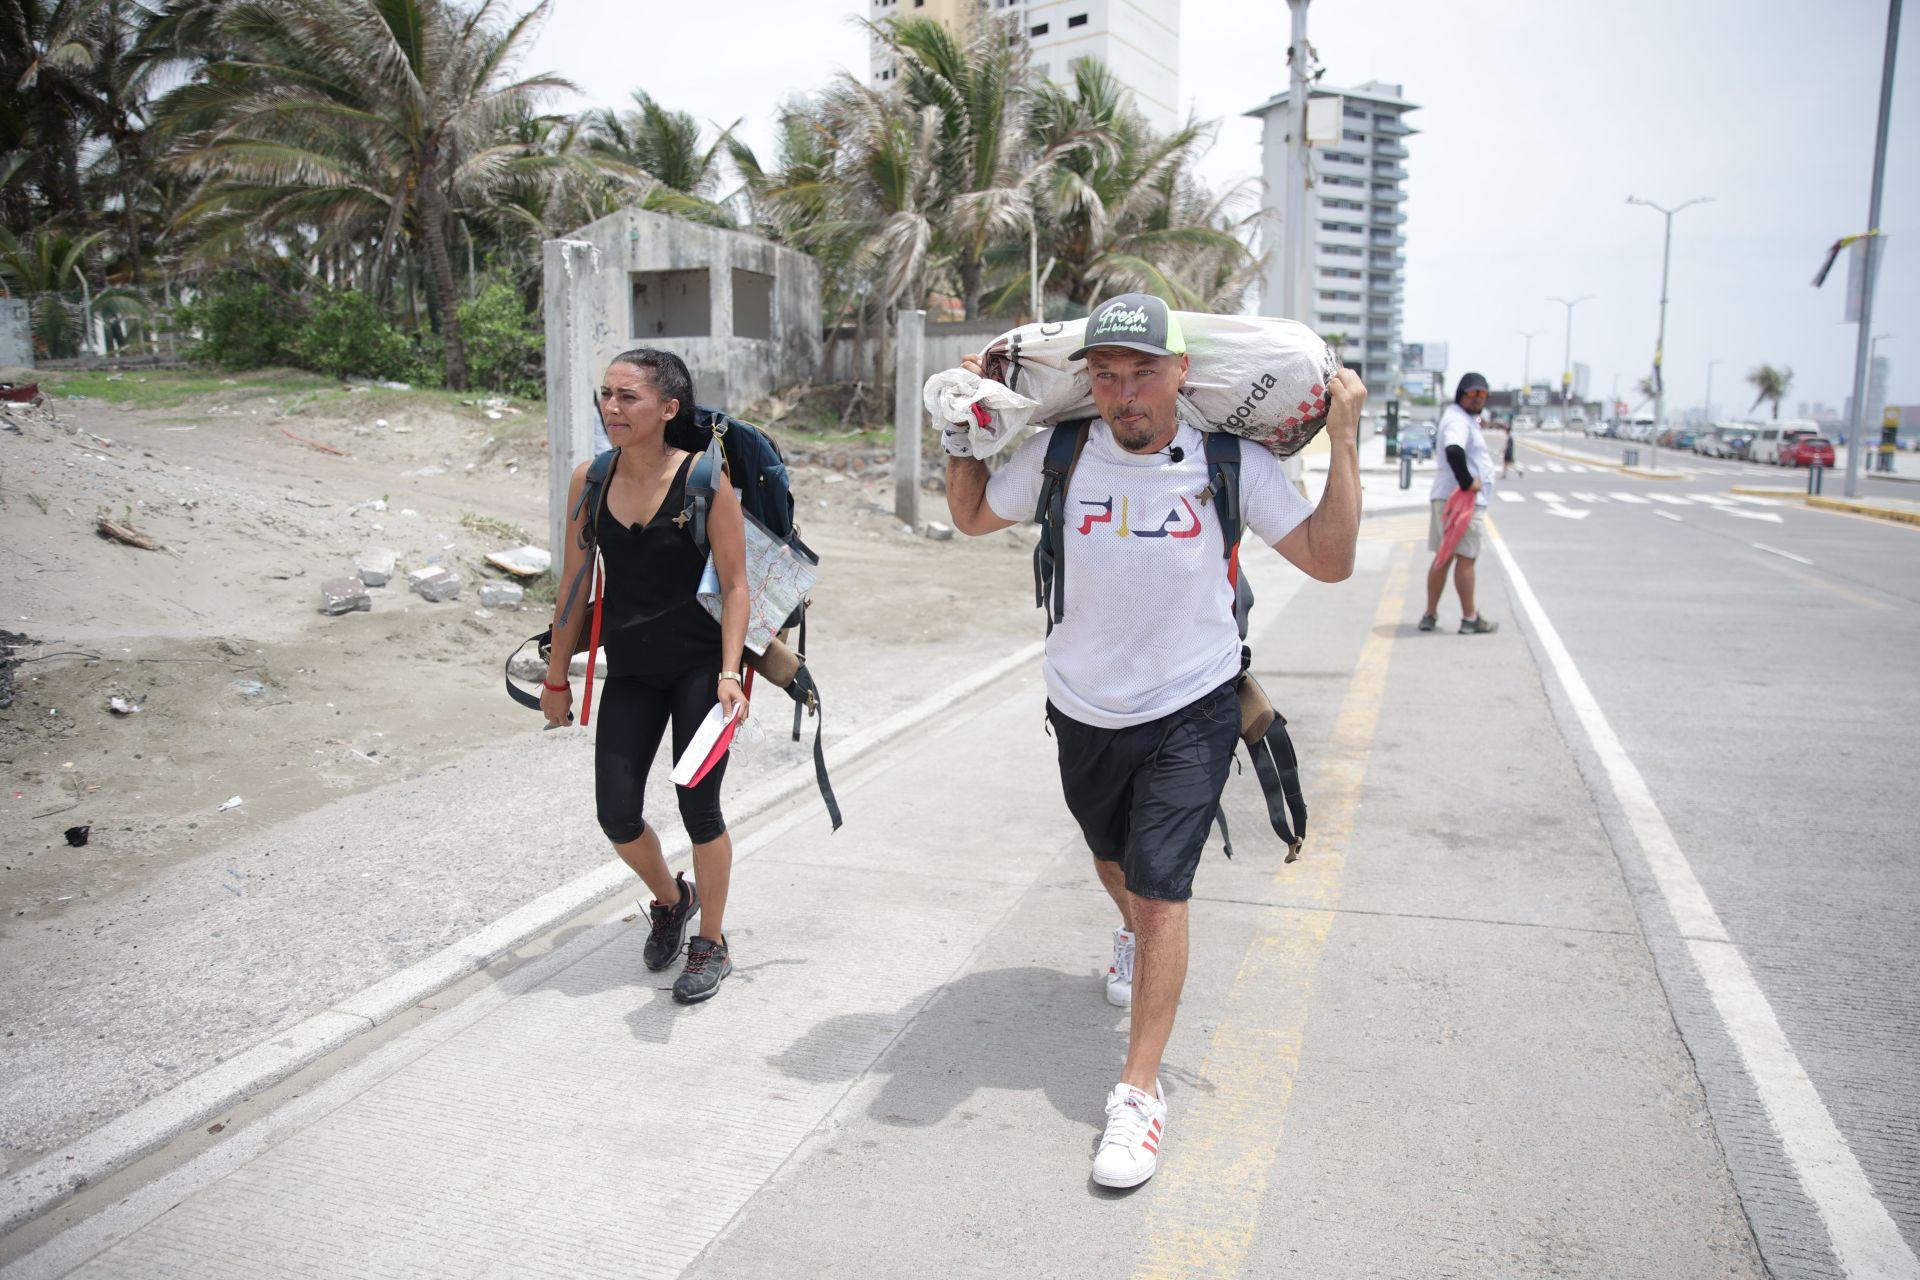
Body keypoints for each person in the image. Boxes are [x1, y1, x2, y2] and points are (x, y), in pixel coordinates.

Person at [944, 293, 1365, 1188]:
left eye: (1142, 373)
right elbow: (975, 517)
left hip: (1193, 701)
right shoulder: (1059, 451)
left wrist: (1348, 439)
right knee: (1115, 861)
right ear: (1086, 381)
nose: (1124, 393)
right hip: (1082, 703)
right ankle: (1130, 929)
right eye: (1105, 375)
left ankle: (1138, 1093)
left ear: (1182, 373)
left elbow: (1330, 561)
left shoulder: (1229, 459)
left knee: (1164, 888)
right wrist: (960, 428)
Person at [542, 348, 752, 1004]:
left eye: (627, 397)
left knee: (700, 808)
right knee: (616, 815)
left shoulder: (705, 480)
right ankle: (673, 898)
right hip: (630, 670)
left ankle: (711, 940)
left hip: (699, 671)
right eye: (606, 395)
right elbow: (576, 583)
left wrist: (729, 672)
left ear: (668, 408)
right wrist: (555, 676)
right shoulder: (591, 480)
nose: (612, 407)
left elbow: (739, 586)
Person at [1420, 372, 1498, 634]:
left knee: (1444, 557)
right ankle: (1469, 618)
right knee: (1466, 558)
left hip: (1447, 496)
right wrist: (1467, 482)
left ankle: (1430, 615)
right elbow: (1454, 449)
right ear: (1461, 393)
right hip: (1460, 500)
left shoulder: (1460, 418)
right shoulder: (1458, 420)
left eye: (1483, 394)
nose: (1478, 399)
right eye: (1473, 393)